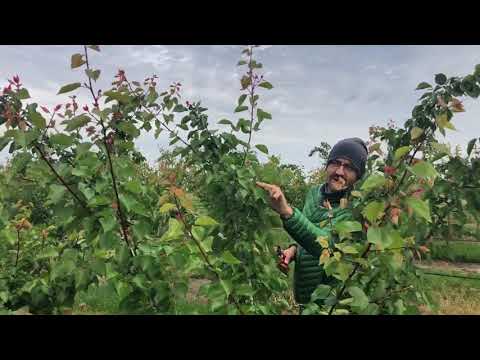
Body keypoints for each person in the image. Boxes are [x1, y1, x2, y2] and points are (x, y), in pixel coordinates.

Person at [256, 138, 368, 312]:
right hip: (304, 296)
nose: (339, 171)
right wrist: (293, 250)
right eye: (336, 163)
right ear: (327, 166)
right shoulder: (314, 193)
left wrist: (287, 212)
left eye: (349, 167)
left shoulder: (355, 209)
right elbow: (308, 228)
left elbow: (328, 246)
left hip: (331, 302)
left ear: (358, 176)